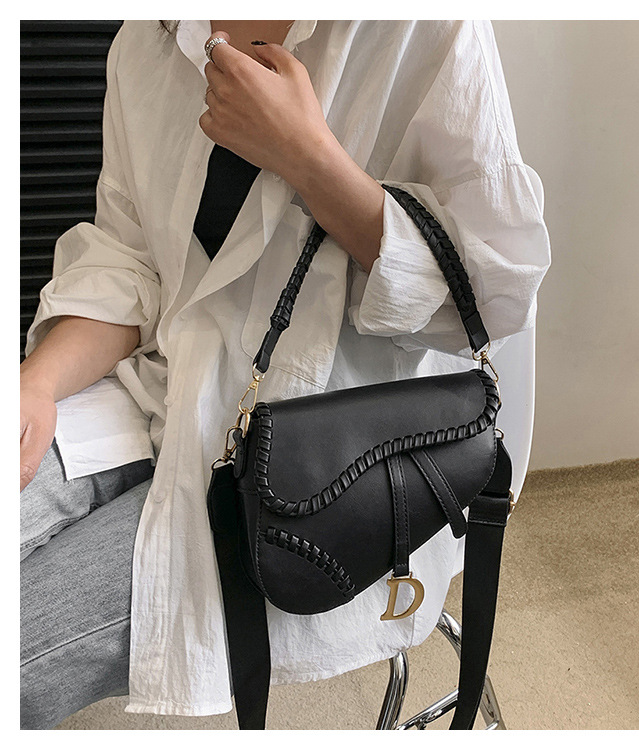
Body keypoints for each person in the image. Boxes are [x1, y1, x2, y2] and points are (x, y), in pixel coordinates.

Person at [20, 20, 551, 729]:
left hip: (326, 459)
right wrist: (35, 384)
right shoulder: (147, 39)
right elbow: (130, 260)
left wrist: (308, 157)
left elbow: (493, 293)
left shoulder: (422, 26)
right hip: (156, 383)